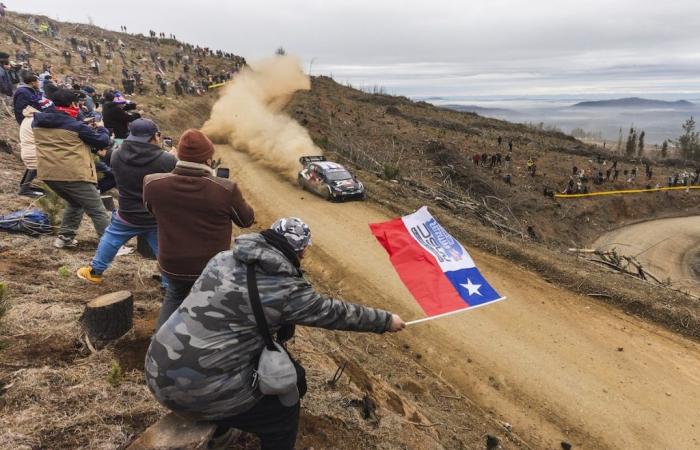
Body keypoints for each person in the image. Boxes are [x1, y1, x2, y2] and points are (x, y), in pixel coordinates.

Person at [144, 218, 406, 450]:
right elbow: (337, 313)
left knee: (296, 377)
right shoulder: (286, 289)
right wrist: (386, 321)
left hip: (156, 367)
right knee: (283, 411)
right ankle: (228, 424)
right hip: (192, 391)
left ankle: (223, 426)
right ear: (301, 251)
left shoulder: (222, 258)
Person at [143, 129, 255, 327]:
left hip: (172, 263)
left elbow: (152, 211)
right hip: (211, 267)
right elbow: (246, 220)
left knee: (174, 297)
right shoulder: (225, 189)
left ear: (178, 155)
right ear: (208, 159)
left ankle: (160, 345)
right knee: (210, 306)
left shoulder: (152, 183)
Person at [77, 119, 177, 284]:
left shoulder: (117, 155)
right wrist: (173, 158)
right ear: (156, 136)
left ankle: (95, 272)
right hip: (154, 216)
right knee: (164, 251)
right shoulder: (166, 160)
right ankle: (169, 284)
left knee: (110, 239)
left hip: (127, 214)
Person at [33, 89, 112, 248]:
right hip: (73, 174)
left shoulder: (38, 122)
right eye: (78, 103)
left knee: (75, 203)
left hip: (48, 173)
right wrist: (102, 128)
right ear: (73, 104)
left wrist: (83, 126)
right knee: (97, 210)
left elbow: (62, 132)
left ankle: (64, 238)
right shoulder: (76, 127)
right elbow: (102, 142)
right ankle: (111, 246)